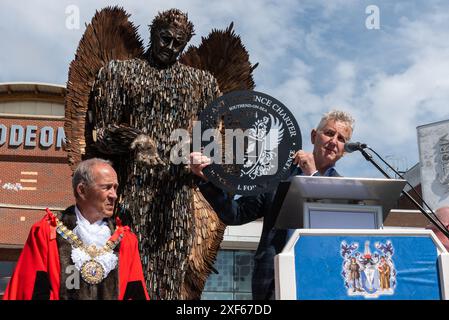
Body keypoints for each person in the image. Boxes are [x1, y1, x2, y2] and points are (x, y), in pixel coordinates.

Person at [190, 109, 355, 299]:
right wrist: (207, 179)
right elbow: (236, 213)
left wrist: (312, 176)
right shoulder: (277, 175)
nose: (334, 141)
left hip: (323, 280)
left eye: (341, 138)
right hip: (274, 280)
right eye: (329, 133)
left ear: (344, 151)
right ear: (313, 136)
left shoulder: (345, 190)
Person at [3, 158, 149, 300]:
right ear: (82, 190)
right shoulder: (47, 233)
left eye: (115, 188)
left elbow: (134, 292)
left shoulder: (126, 241)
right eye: (106, 187)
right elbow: (31, 289)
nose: (114, 195)